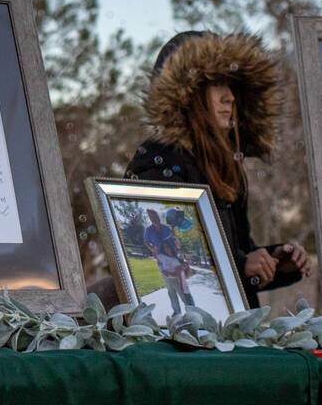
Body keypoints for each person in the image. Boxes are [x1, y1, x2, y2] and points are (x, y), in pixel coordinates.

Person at [126, 31, 310, 308]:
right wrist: (240, 265)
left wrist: (275, 262)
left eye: (231, 85)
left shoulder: (225, 165)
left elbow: (240, 255)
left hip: (232, 328)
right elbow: (162, 260)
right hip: (184, 331)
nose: (230, 97)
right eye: (216, 84)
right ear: (189, 93)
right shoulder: (157, 159)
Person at [142, 208, 195, 315]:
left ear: (157, 216)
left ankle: (191, 309)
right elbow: (146, 242)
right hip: (162, 262)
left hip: (174, 260)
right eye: (151, 217)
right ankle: (176, 311)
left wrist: (175, 238)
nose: (154, 218)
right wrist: (153, 250)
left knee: (181, 287)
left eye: (155, 216)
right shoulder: (149, 230)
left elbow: (178, 246)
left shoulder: (167, 228)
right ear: (150, 218)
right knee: (170, 289)